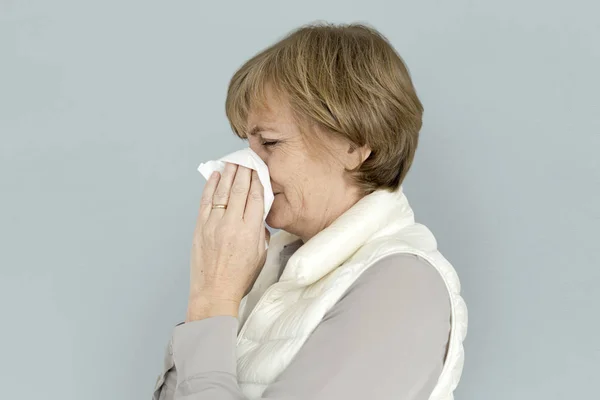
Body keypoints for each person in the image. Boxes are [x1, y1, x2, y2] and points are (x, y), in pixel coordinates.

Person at [152, 22, 467, 400]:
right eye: (248, 145)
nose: (247, 166)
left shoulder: (402, 287)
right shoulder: (271, 274)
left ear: (352, 145)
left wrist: (212, 299)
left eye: (269, 142)